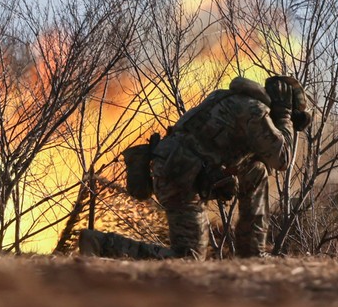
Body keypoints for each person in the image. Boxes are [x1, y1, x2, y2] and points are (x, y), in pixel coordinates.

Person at [79, 75, 308, 259]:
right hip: (179, 175)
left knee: (256, 170)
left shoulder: (232, 99)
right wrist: (284, 117)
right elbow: (282, 159)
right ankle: (100, 244)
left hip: (178, 169)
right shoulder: (253, 111)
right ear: (281, 102)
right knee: (189, 257)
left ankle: (252, 253)